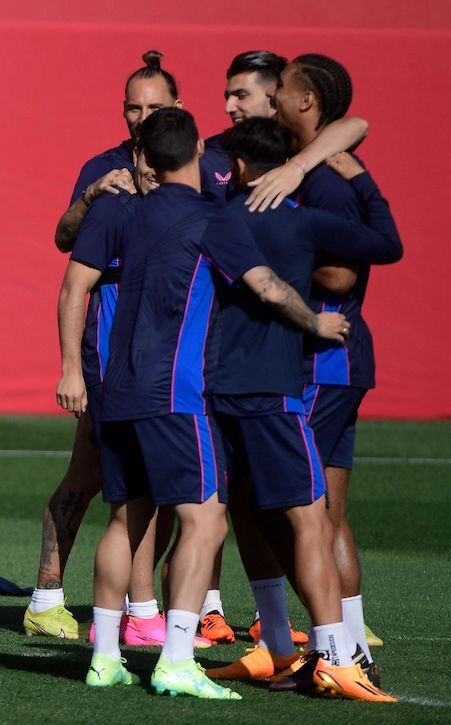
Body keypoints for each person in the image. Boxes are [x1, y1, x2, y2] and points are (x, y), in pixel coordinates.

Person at [65, 107, 347, 698]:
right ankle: (174, 658)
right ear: (198, 148)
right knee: (206, 519)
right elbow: (265, 285)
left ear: (144, 156)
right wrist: (313, 323)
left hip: (117, 388)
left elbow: (76, 270)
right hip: (177, 393)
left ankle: (106, 657)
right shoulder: (210, 217)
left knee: (125, 520)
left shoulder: (125, 212)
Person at [201, 117, 399, 702]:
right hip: (278, 392)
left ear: (237, 168)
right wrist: (359, 180)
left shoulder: (221, 219)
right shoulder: (304, 220)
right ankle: (337, 654)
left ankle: (273, 650)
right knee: (311, 519)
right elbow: (388, 245)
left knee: (236, 514)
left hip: (215, 390)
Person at [25, 50, 192, 645]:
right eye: (132, 105)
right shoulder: (106, 169)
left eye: (153, 105)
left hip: (175, 344)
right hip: (114, 341)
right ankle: (48, 597)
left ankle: (158, 611)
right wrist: (92, 194)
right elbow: (64, 242)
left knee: (170, 483)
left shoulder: (197, 168)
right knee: (91, 472)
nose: (140, 115)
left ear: (177, 107)